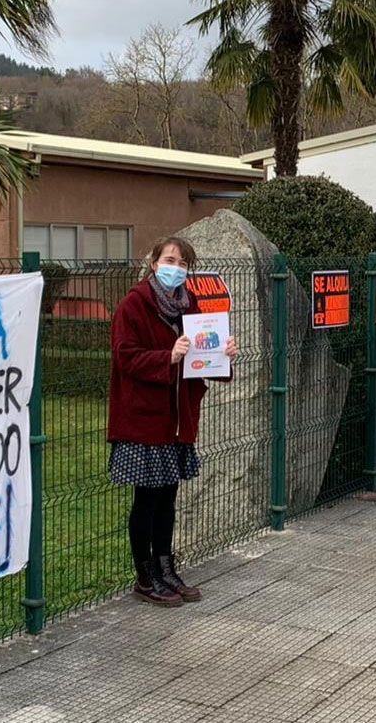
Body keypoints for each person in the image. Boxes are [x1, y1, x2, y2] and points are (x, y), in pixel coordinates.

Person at [109, 236, 239, 607]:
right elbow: (124, 357)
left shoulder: (191, 306)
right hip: (143, 419)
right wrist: (166, 356)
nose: (176, 269)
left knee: (168, 498)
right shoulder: (134, 305)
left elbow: (201, 359)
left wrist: (223, 354)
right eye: (170, 260)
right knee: (146, 500)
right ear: (154, 263)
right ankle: (145, 575)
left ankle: (167, 568)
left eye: (183, 264)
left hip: (177, 419)